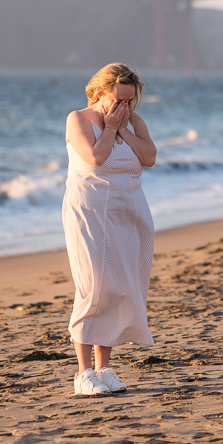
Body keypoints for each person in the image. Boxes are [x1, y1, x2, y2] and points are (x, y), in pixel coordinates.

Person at [63, 62, 158, 396]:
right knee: (93, 287)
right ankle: (83, 373)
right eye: (117, 100)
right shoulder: (78, 120)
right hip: (90, 212)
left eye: (129, 101)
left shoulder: (133, 122)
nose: (124, 107)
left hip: (130, 213)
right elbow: (94, 158)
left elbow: (149, 157)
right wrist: (108, 130)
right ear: (98, 93)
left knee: (121, 287)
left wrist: (123, 129)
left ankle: (105, 368)